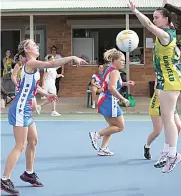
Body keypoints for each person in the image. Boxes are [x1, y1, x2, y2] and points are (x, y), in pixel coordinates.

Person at [0, 39, 86, 195]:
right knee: (20, 145)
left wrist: (47, 94)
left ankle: (29, 173)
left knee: (33, 141)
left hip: (25, 108)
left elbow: (35, 85)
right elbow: (51, 65)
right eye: (34, 45)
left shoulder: (30, 65)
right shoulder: (31, 63)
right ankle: (4, 179)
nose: (37, 46)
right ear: (27, 49)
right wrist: (72, 57)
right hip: (20, 107)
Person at [128, 0, 181, 173]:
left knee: (168, 119)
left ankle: (173, 154)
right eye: (154, 16)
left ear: (166, 20)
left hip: (170, 81)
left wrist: (136, 12)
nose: (154, 19)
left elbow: (149, 25)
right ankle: (167, 151)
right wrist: (165, 2)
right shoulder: (168, 30)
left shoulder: (165, 35)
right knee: (168, 119)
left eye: (157, 17)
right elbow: (164, 10)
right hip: (163, 80)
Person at [89, 48, 135, 156]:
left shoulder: (109, 69)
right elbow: (112, 88)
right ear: (114, 61)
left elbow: (111, 83)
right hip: (110, 101)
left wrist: (125, 83)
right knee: (120, 127)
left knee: (112, 126)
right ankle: (96, 134)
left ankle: (103, 148)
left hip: (104, 99)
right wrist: (123, 99)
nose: (124, 63)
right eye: (122, 61)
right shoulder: (115, 72)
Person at [144, 78, 181, 162]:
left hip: (169, 104)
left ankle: (169, 150)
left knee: (178, 126)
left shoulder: (176, 73)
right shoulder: (161, 73)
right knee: (157, 131)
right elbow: (157, 89)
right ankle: (147, 146)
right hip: (157, 105)